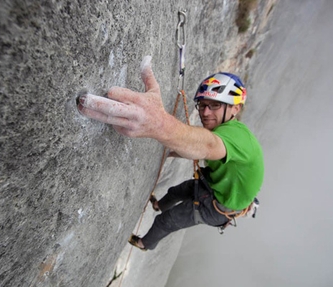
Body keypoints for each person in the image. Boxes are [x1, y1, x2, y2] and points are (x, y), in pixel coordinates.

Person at [77, 56, 264, 250]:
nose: (206, 113)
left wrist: (160, 124)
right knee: (177, 191)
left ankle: (143, 243)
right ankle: (158, 204)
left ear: (235, 108)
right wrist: (176, 151)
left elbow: (209, 146)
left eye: (215, 105)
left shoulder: (239, 139)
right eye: (202, 105)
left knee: (167, 221)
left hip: (219, 207)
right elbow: (209, 149)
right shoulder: (225, 131)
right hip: (215, 187)